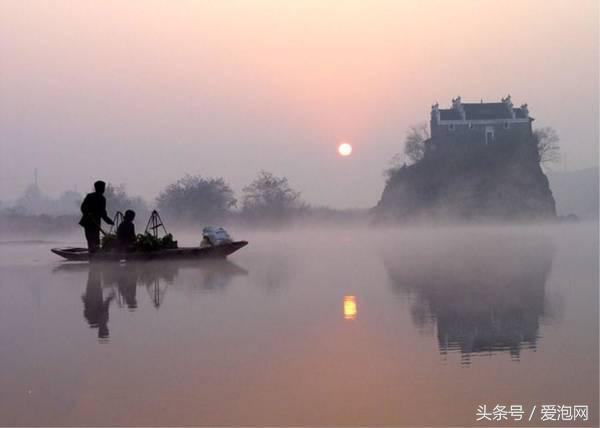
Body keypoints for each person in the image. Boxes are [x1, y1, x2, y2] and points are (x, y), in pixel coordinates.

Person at [79, 180, 114, 253]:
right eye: (103, 188)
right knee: (90, 238)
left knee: (95, 239)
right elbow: (83, 207)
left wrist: (109, 221)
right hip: (88, 222)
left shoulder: (102, 198)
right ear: (98, 188)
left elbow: (103, 213)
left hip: (96, 222)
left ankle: (94, 253)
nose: (104, 189)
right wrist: (88, 213)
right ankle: (92, 254)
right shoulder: (90, 196)